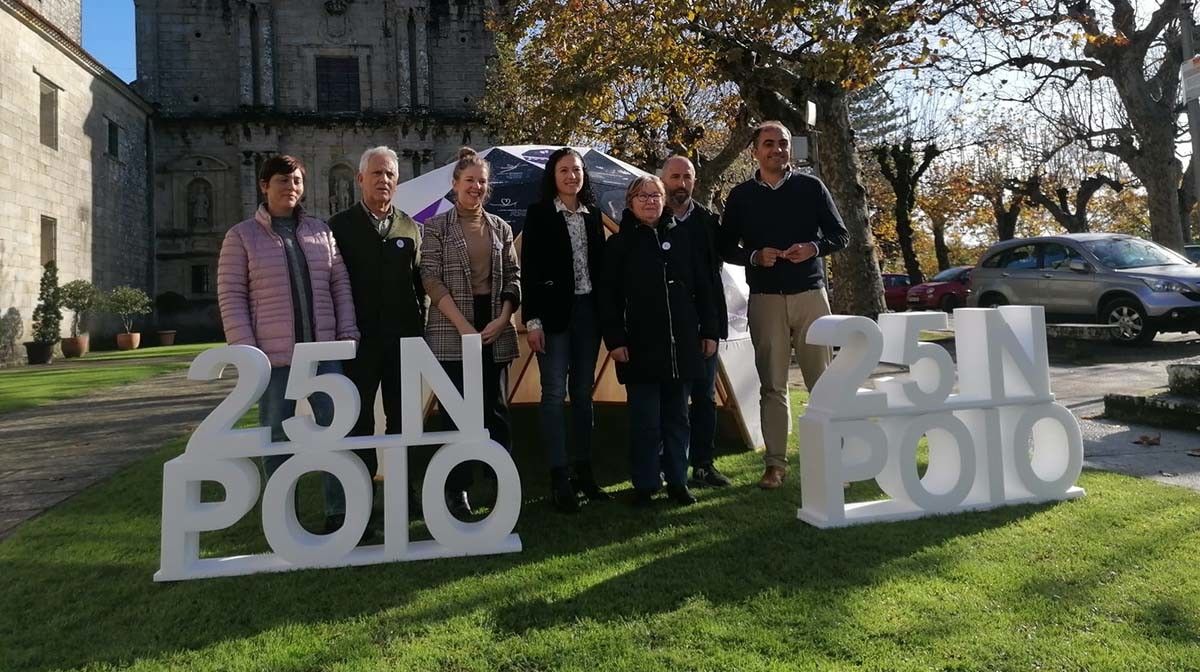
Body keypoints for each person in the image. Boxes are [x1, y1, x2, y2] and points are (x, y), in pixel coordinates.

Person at [217, 154, 360, 531]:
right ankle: (283, 517)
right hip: (274, 358)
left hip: (324, 353)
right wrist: (247, 351)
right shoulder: (241, 236)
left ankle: (338, 512)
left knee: (335, 430)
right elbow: (231, 295)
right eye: (283, 180)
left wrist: (347, 333)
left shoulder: (320, 232)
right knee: (277, 434)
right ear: (264, 185)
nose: (291, 187)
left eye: (297, 181)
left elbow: (339, 285)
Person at [719, 121, 849, 490]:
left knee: (821, 383)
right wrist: (755, 256)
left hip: (810, 295)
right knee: (772, 386)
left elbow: (841, 235)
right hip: (764, 300)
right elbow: (726, 246)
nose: (777, 149)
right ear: (755, 151)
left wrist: (815, 248)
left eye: (783, 144)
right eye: (769, 144)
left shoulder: (811, 187)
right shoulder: (741, 195)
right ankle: (775, 465)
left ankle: (834, 461)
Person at [601, 175, 719, 507]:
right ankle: (646, 483)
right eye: (642, 196)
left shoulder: (684, 239)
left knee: (678, 417)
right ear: (630, 202)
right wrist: (615, 339)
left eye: (655, 195)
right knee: (645, 421)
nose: (650, 201)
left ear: (664, 200)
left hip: (681, 344)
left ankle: (678, 481)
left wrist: (709, 330)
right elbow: (608, 299)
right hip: (639, 346)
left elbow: (705, 288)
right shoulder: (619, 245)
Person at [420, 147, 521, 519]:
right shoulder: (435, 227)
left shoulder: (501, 228)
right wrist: (463, 326)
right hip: (451, 325)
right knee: (455, 411)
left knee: (495, 410)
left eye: (482, 182)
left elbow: (513, 276)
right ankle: (456, 487)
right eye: (469, 181)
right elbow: (429, 277)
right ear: (455, 184)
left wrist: (503, 316)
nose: (476, 187)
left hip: (494, 326)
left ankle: (499, 481)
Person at [328, 146, 425, 533]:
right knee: (360, 422)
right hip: (360, 343)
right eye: (377, 173)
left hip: (403, 341)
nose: (384, 180)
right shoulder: (338, 227)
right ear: (360, 179)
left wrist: (422, 324)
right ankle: (360, 500)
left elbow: (422, 286)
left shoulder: (411, 227)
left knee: (403, 421)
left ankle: (402, 494)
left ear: (397, 182)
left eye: (390, 175)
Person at [521, 147, 610, 513]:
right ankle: (559, 475)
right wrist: (533, 321)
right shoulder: (539, 214)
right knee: (554, 393)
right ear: (553, 176)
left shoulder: (593, 217)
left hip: (588, 313)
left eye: (576, 170)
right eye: (564, 170)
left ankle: (583, 470)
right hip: (554, 316)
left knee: (583, 393)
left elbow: (601, 271)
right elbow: (531, 270)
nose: (572, 176)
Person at [660, 155, 732, 488]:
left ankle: (703, 463)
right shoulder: (651, 218)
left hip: (703, 324)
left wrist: (713, 329)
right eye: (675, 177)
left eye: (687, 177)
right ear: (663, 180)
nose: (681, 183)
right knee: (671, 398)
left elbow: (713, 280)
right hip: (666, 327)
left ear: (694, 180)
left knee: (704, 397)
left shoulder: (707, 222)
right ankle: (667, 465)